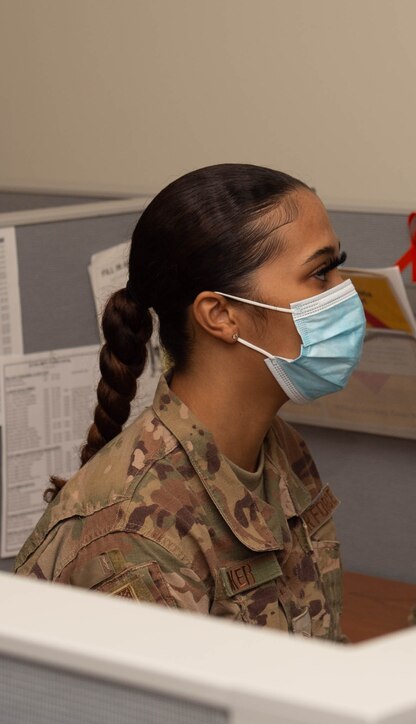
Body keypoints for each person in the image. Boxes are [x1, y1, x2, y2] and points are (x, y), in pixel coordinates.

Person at [14, 164, 365, 642]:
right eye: (320, 273)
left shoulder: (281, 450)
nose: (346, 291)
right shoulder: (137, 538)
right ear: (221, 315)